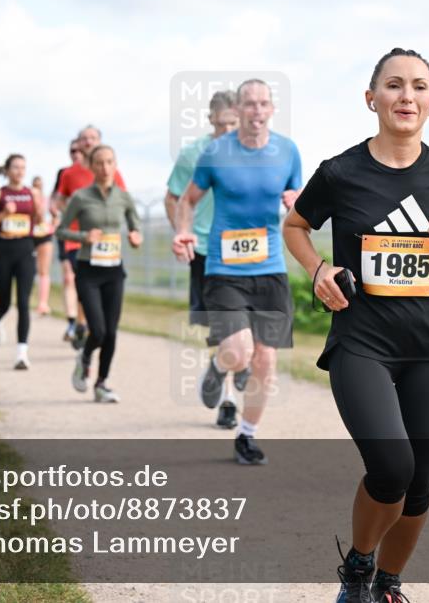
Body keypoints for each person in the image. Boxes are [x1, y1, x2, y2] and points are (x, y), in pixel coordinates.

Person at [283, 48, 429, 603]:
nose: (407, 96)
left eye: (419, 86)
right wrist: (319, 270)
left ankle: (389, 584)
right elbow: (296, 226)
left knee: (420, 482)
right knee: (391, 466)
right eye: (395, 85)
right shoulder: (340, 171)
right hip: (361, 343)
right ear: (371, 98)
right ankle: (358, 567)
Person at [172, 78, 302, 466]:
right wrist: (182, 230)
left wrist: (297, 203)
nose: (257, 111)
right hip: (224, 269)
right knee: (239, 352)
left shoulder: (288, 152)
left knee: (266, 360)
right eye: (250, 104)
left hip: (271, 268)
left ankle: (247, 436)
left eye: (264, 104)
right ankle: (218, 366)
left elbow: (298, 209)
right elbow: (187, 200)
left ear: (272, 109)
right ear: (239, 110)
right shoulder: (216, 153)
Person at [165, 89, 247, 428]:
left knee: (250, 327)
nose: (228, 131)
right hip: (206, 251)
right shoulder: (193, 153)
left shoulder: (255, 152)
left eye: (234, 123)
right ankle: (228, 401)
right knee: (221, 328)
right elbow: (173, 199)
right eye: (222, 124)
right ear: (210, 120)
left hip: (247, 251)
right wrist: (181, 233)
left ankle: (238, 363)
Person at [57, 145, 143, 403]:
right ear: (91, 167)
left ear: (115, 165)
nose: (105, 168)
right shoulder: (81, 198)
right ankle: (84, 357)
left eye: (109, 162)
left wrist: (136, 237)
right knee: (99, 330)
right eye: (99, 163)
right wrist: (84, 236)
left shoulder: (124, 198)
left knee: (112, 332)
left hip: (114, 271)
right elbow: (60, 231)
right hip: (88, 271)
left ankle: (102, 383)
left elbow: (135, 226)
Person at [54, 129, 128, 350]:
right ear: (79, 142)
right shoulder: (69, 173)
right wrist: (72, 211)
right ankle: (81, 323)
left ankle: (80, 323)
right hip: (77, 239)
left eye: (93, 138)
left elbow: (122, 200)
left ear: (99, 141)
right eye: (84, 139)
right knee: (79, 280)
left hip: (105, 243)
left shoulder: (112, 171)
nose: (88, 142)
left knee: (92, 288)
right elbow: (59, 200)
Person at [0, 154, 46, 370]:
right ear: (7, 170)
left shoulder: (32, 193)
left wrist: (39, 213)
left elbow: (38, 221)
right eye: (15, 167)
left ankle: (21, 353)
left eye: (23, 168)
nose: (19, 171)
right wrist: (1, 216)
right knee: (6, 302)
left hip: (25, 249)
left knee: (24, 303)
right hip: (2, 250)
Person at [51, 140, 84, 341]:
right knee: (69, 278)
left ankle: (84, 323)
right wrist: (63, 212)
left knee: (86, 281)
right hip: (69, 234)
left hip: (93, 236)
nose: (76, 154)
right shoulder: (65, 174)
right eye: (72, 151)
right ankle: (72, 322)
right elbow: (55, 200)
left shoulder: (98, 171)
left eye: (80, 150)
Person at [30, 175, 55, 315]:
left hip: (45, 235)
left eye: (39, 185)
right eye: (35, 185)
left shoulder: (48, 200)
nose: (37, 188)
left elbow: (55, 215)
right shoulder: (28, 199)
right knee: (29, 270)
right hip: (30, 236)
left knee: (44, 270)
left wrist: (54, 225)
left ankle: (43, 304)